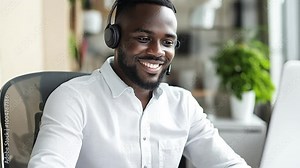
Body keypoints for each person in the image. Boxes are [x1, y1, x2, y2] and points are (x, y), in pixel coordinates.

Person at [28, 0, 250, 167]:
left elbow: (228, 164)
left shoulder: (182, 105)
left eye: (167, 42)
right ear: (113, 39)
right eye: (143, 39)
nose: (157, 51)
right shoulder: (74, 99)